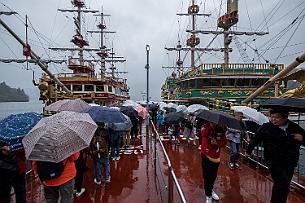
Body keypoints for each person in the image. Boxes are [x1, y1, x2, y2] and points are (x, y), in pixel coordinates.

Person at [247, 108, 305, 203]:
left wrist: (302, 138)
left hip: (290, 160)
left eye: (277, 117)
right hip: (273, 161)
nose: (273, 119)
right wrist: (248, 151)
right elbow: (256, 139)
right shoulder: (266, 127)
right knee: (283, 183)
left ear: (285, 118)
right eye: (272, 117)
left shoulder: (294, 127)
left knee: (282, 185)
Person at [201, 122, 227, 203]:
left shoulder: (221, 129)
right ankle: (208, 195)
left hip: (216, 157)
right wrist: (210, 127)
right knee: (207, 176)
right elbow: (203, 134)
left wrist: (217, 143)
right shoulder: (206, 126)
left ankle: (211, 190)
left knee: (213, 176)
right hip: (205, 155)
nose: (214, 123)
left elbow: (224, 142)